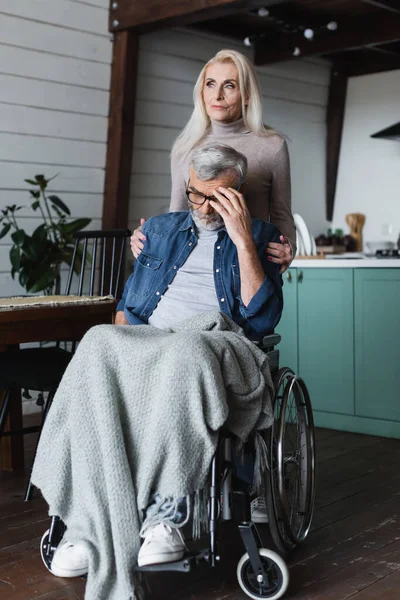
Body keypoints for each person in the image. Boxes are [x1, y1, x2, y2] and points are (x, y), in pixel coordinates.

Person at [32, 144, 283, 600]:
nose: (203, 208)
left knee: (186, 349)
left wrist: (243, 238)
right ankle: (85, 522)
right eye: (195, 195)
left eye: (217, 198)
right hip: (153, 340)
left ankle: (168, 515)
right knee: (96, 341)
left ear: (238, 195)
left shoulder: (262, 237)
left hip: (216, 342)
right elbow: (130, 306)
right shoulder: (163, 229)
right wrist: (119, 345)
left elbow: (261, 320)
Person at [130, 48, 295, 273]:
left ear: (247, 95)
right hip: (193, 268)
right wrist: (147, 236)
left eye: (229, 86)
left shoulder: (272, 146)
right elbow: (177, 214)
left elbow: (281, 214)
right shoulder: (185, 146)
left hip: (248, 268)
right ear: (201, 91)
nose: (217, 95)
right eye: (210, 84)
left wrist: (289, 250)